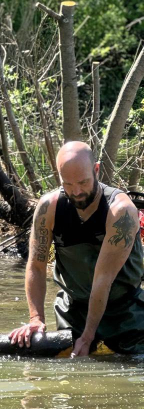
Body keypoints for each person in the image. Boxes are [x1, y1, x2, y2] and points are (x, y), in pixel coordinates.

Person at [9, 141, 144, 356]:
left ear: (96, 170)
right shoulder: (49, 208)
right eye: (68, 184)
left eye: (83, 182)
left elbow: (103, 279)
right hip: (73, 310)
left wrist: (88, 336)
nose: (77, 191)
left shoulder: (121, 211)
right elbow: (36, 266)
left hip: (125, 311)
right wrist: (36, 319)